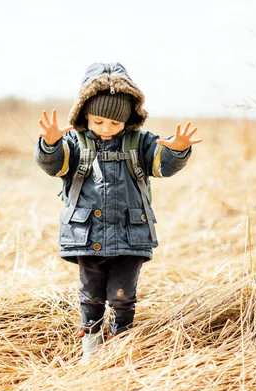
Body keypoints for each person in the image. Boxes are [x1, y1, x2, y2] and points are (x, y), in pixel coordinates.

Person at [34, 62, 202, 363]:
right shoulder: (74, 141)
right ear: (85, 113)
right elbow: (55, 165)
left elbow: (161, 165)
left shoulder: (141, 142)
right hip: (87, 236)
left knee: (123, 297)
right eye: (99, 122)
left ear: (129, 118)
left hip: (130, 236)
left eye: (115, 123)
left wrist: (177, 151)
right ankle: (92, 344)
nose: (107, 129)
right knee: (91, 296)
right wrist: (49, 145)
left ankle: (121, 341)